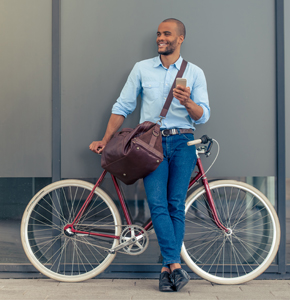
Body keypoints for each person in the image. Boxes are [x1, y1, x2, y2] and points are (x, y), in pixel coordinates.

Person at [89, 18, 210, 292]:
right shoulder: (142, 69)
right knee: (158, 204)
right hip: (149, 145)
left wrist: (188, 102)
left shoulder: (195, 73)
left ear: (180, 39)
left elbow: (203, 115)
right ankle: (174, 265)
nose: (160, 38)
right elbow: (123, 106)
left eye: (166, 34)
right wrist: (105, 140)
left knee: (175, 204)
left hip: (183, 142)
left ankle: (168, 272)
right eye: (158, 34)